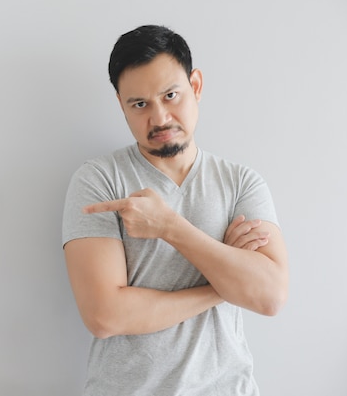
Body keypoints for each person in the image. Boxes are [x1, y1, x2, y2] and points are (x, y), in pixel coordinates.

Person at [62, 25, 289, 396]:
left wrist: (170, 227)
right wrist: (225, 285)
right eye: (140, 104)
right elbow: (104, 316)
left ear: (195, 85)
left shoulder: (241, 183)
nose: (160, 118)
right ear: (121, 103)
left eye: (171, 95)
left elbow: (269, 296)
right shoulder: (97, 180)